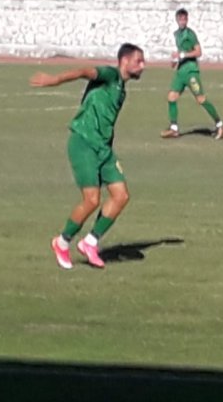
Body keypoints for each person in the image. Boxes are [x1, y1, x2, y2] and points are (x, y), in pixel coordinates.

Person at [31, 43, 146, 269]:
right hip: (83, 142)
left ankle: (90, 242)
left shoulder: (122, 89)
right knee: (92, 200)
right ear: (125, 61)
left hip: (104, 148)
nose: (143, 66)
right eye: (139, 61)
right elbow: (85, 71)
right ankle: (62, 242)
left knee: (121, 196)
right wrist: (55, 80)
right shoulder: (110, 75)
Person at [160, 8, 223, 140]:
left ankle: (220, 124)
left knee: (201, 99)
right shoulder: (176, 34)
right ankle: (174, 129)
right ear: (177, 19)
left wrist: (183, 55)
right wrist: (175, 60)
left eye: (185, 19)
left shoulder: (190, 34)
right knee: (171, 97)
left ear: (187, 19)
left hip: (191, 72)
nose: (183, 21)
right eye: (180, 19)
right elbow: (180, 52)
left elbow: (198, 52)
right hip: (181, 72)